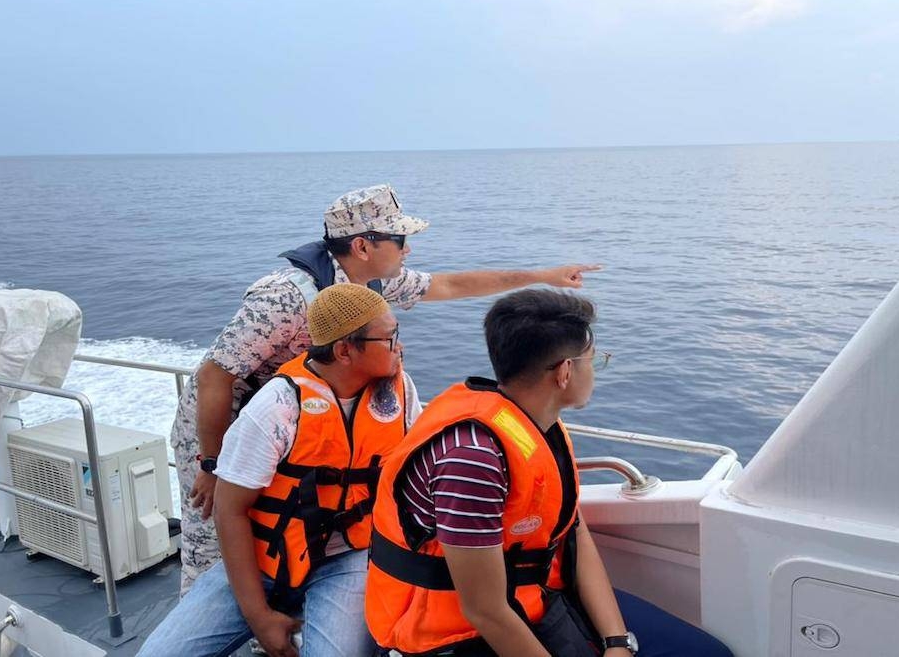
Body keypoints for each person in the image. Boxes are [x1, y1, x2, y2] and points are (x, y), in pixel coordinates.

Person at [173, 183, 600, 594]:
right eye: (400, 238)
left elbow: (451, 285)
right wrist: (211, 463)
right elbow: (215, 376)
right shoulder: (285, 296)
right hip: (223, 427)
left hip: (296, 423)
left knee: (288, 529)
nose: (408, 249)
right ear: (362, 246)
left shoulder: (372, 283)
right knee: (214, 549)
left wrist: (545, 276)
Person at [365, 290, 732, 657]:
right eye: (594, 360)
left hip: (537, 601)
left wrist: (617, 642)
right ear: (565, 372)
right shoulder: (472, 460)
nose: (595, 370)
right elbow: (485, 611)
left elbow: (572, 531)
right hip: (453, 638)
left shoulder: (538, 426)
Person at [140, 283, 421, 657]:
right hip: (265, 557)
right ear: (344, 350)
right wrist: (259, 617)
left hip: (348, 555)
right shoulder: (277, 408)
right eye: (389, 338)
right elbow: (230, 509)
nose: (399, 346)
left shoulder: (398, 392)